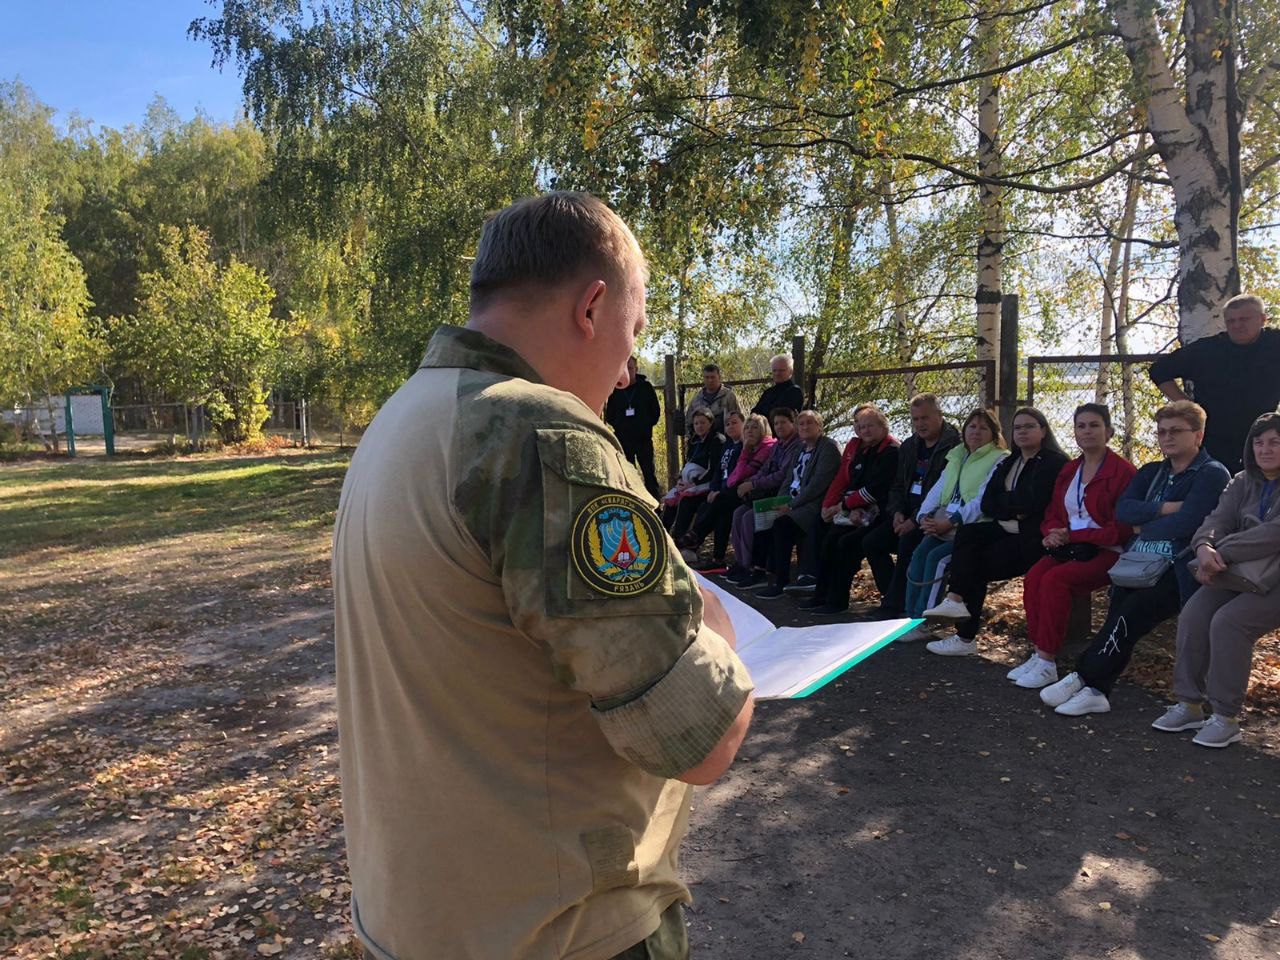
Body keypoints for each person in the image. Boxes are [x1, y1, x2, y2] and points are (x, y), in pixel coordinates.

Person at [332, 192, 754, 960]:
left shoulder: (406, 415)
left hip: (420, 915)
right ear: (592, 307)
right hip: (562, 929)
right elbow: (700, 740)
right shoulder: (537, 433)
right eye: (632, 337)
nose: (627, 374)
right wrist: (715, 622)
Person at [1039, 401, 1230, 715]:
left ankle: (1086, 676)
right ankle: (1096, 689)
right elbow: (1123, 512)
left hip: (1178, 568)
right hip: (1137, 563)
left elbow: (1190, 523)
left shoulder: (1211, 473)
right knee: (1117, 616)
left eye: (1176, 431)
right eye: (1161, 432)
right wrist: (1165, 511)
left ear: (1198, 435)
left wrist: (1146, 525)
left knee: (1128, 617)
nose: (1167, 438)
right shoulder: (1152, 471)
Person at [1151, 412, 1280, 748]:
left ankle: (1225, 717)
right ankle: (1190, 704)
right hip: (1234, 570)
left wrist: (1219, 550)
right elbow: (1215, 520)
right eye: (1259, 442)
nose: (1265, 449)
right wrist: (1205, 546)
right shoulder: (1242, 481)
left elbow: (1272, 535)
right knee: (1195, 614)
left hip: (1272, 577)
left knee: (1229, 623)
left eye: (1275, 442)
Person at [921, 407, 1068, 654]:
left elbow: (1033, 502)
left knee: (975, 565)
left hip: (1032, 536)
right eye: (1018, 427)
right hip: (1004, 527)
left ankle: (965, 637)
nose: (1022, 432)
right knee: (969, 533)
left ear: (1043, 430)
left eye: (1029, 426)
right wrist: (1011, 507)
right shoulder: (1012, 460)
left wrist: (1008, 505)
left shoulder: (1054, 462)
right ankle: (955, 601)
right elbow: (989, 500)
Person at [1011, 403, 1137, 690]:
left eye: (1094, 425)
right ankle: (1038, 651)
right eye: (1081, 426)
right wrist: (1050, 533)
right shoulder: (1070, 469)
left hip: (1110, 552)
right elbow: (1054, 512)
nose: (1087, 431)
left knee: (1056, 579)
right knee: (1034, 578)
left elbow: (1122, 528)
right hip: (1071, 547)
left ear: (1109, 431)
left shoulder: (1123, 472)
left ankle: (1047, 660)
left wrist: (1075, 536)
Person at [899, 408, 1008, 633]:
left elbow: (982, 500)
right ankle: (910, 617)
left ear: (993, 433)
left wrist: (953, 521)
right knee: (919, 554)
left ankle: (924, 623)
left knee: (937, 560)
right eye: (972, 426)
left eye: (983, 428)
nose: (976, 432)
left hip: (972, 528)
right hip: (942, 523)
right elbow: (938, 489)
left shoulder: (999, 458)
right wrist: (923, 517)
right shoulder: (958, 455)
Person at [1150, 294, 1280, 471]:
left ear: (1263, 319)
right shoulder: (1208, 350)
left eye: (1244, 319)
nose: (1237, 325)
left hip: (1263, 437)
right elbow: (1159, 371)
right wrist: (1188, 406)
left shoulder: (1274, 344)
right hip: (1215, 437)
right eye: (1231, 321)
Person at [862, 394, 961, 617]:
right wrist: (896, 511)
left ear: (939, 416)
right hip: (905, 512)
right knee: (872, 542)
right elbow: (897, 484)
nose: (920, 424)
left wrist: (914, 520)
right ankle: (894, 596)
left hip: (932, 518)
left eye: (925, 418)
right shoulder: (909, 446)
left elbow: (943, 493)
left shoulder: (954, 446)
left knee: (909, 542)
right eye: (915, 419)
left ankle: (896, 606)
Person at [798, 405, 901, 613]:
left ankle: (846, 601)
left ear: (883, 426)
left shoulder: (891, 451)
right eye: (861, 427)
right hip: (860, 513)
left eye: (870, 426)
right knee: (830, 538)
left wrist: (845, 506)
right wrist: (839, 507)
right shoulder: (863, 449)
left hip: (883, 515)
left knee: (848, 543)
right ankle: (822, 595)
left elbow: (875, 490)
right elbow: (850, 483)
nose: (865, 431)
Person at [754, 410, 842, 598]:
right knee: (763, 518)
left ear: (820, 426)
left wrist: (791, 505)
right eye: (801, 424)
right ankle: (758, 571)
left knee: (782, 524)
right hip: (792, 502)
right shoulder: (800, 448)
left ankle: (781, 580)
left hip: (813, 504)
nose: (804, 427)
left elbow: (817, 485)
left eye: (810, 423)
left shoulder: (828, 448)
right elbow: (788, 479)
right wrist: (777, 502)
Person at [685, 414, 775, 569]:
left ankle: (695, 536)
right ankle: (718, 559)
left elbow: (741, 475)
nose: (750, 431)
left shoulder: (766, 447)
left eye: (754, 427)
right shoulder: (733, 446)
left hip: (762, 494)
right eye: (747, 427)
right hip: (741, 492)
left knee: (722, 503)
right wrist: (716, 489)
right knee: (721, 511)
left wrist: (745, 451)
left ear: (764, 429)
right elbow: (725, 474)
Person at [725, 408, 802, 586]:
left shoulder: (795, 446)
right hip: (766, 493)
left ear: (793, 424)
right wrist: (750, 482)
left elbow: (781, 475)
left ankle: (754, 567)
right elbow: (764, 470)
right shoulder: (778, 446)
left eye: (784, 422)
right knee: (737, 513)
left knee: (748, 518)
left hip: (781, 495)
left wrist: (753, 484)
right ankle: (742, 563)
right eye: (777, 423)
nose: (780, 426)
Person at [605, 355, 663, 498]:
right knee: (627, 477)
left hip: (643, 440)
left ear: (636, 369)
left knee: (649, 475)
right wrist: (621, 426)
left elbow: (655, 411)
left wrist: (644, 425)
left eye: (630, 368)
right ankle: (633, 506)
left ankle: (656, 509)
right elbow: (610, 415)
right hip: (624, 441)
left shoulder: (646, 388)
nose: (627, 371)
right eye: (624, 368)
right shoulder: (616, 389)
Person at [662, 409, 724, 537]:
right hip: (688, 482)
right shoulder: (694, 441)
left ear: (711, 423)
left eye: (703, 423)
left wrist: (693, 484)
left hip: (705, 484)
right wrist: (680, 480)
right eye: (696, 423)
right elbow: (687, 463)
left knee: (685, 500)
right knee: (670, 501)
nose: (699, 426)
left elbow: (712, 469)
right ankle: (662, 535)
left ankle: (679, 538)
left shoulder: (716, 440)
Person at [683, 363, 741, 440]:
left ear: (719, 377)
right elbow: (689, 422)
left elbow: (737, 419)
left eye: (713, 377)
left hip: (724, 440)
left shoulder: (729, 396)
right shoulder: (697, 398)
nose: (710, 380)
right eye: (707, 377)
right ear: (703, 378)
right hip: (702, 442)